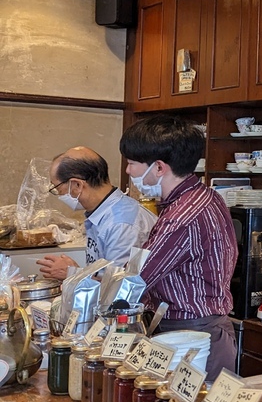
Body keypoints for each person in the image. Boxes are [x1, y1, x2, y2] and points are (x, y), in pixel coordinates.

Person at [120, 114, 238, 377]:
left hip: (192, 334)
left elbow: (137, 278)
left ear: (159, 168)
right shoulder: (205, 196)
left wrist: (90, 281)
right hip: (205, 328)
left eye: (132, 163)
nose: (128, 171)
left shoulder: (180, 217)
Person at [37, 146, 156, 280]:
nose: (59, 194)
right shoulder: (100, 213)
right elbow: (102, 273)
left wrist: (73, 274)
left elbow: (119, 286)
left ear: (77, 185)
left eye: (58, 188)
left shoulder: (121, 224)